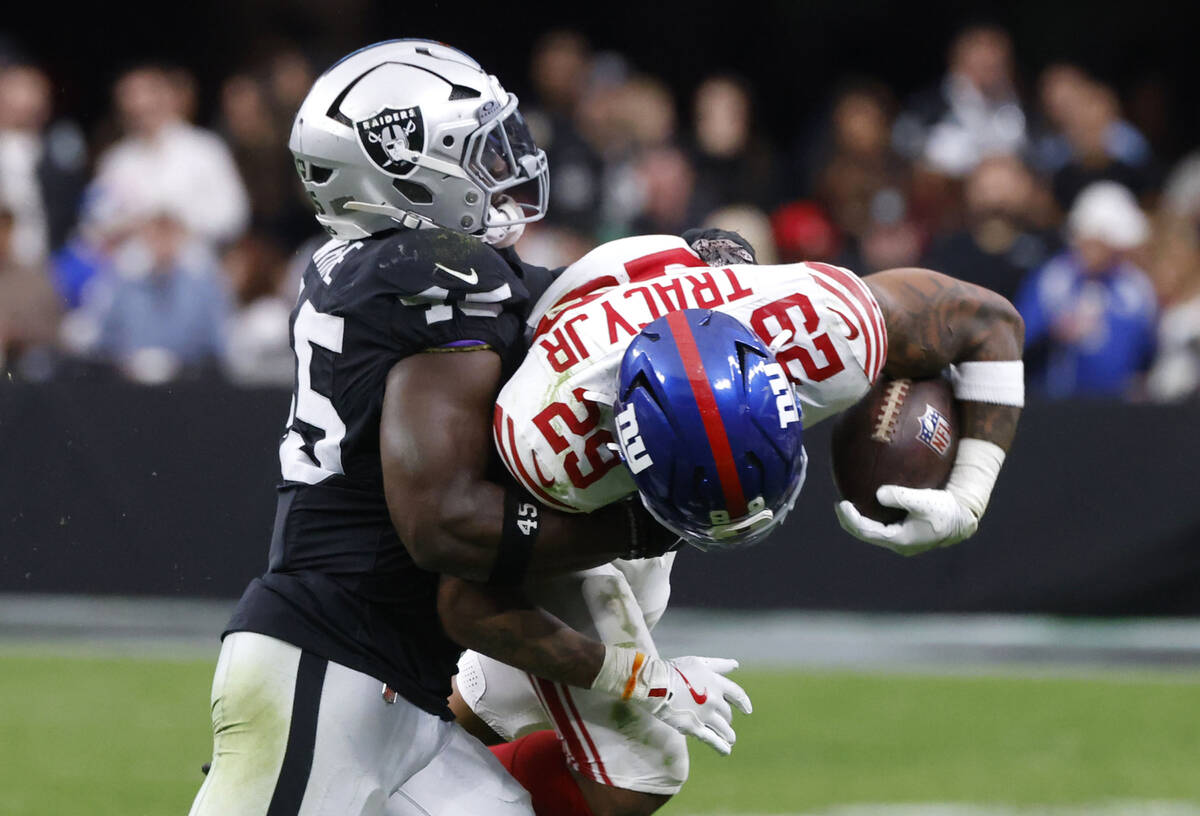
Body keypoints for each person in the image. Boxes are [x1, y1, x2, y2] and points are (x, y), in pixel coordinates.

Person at [190, 40, 746, 816]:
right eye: (480, 148)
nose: (509, 163)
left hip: (397, 690)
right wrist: (638, 525)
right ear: (404, 165)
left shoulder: (384, 266)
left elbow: (550, 307)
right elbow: (447, 527)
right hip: (330, 665)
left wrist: (683, 273)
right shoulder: (431, 269)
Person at [396, 228, 1026, 816]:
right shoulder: (553, 444)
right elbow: (467, 599)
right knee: (640, 770)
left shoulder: (830, 329)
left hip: (658, 342)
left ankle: (402, 766)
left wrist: (969, 495)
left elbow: (987, 321)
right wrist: (646, 678)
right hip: (550, 438)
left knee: (556, 659)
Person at [1016, 181, 1157, 398]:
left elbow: (1148, 349)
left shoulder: (1135, 287)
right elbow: (1019, 339)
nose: (1093, 249)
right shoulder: (1052, 279)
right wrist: (1053, 331)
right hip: (1054, 407)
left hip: (1119, 411)